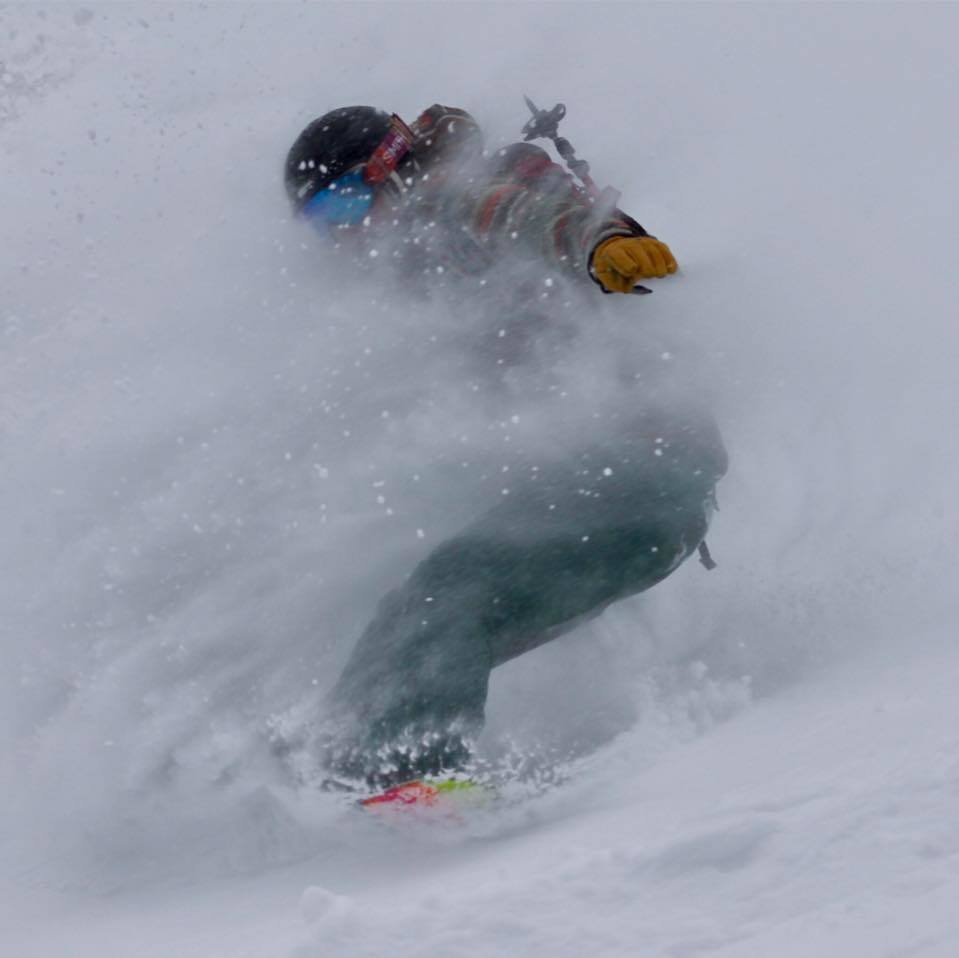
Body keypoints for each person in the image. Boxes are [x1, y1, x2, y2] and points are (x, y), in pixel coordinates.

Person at [283, 104, 727, 787]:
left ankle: (417, 777)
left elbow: (529, 214)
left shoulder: (449, 201)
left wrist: (601, 243)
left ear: (386, 168)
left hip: (645, 469)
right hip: (601, 481)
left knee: (446, 594)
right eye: (323, 224)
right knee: (415, 601)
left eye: (344, 206)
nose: (345, 236)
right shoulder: (424, 275)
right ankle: (342, 759)